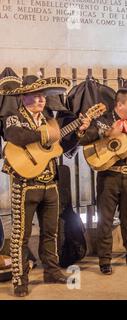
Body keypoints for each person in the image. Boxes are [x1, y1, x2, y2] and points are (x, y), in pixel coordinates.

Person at [0, 75, 85, 297]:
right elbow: (14, 136)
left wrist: (78, 132)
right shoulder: (13, 117)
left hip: (50, 184)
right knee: (21, 235)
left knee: (52, 231)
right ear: (23, 97)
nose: (40, 101)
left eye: (42, 97)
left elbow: (61, 147)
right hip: (25, 184)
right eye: (35, 97)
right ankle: (20, 279)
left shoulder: (50, 120)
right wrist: (43, 134)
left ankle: (52, 270)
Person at [78, 79, 127, 275]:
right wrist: (102, 133)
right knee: (105, 219)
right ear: (120, 104)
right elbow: (85, 140)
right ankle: (105, 259)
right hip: (109, 176)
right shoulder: (103, 120)